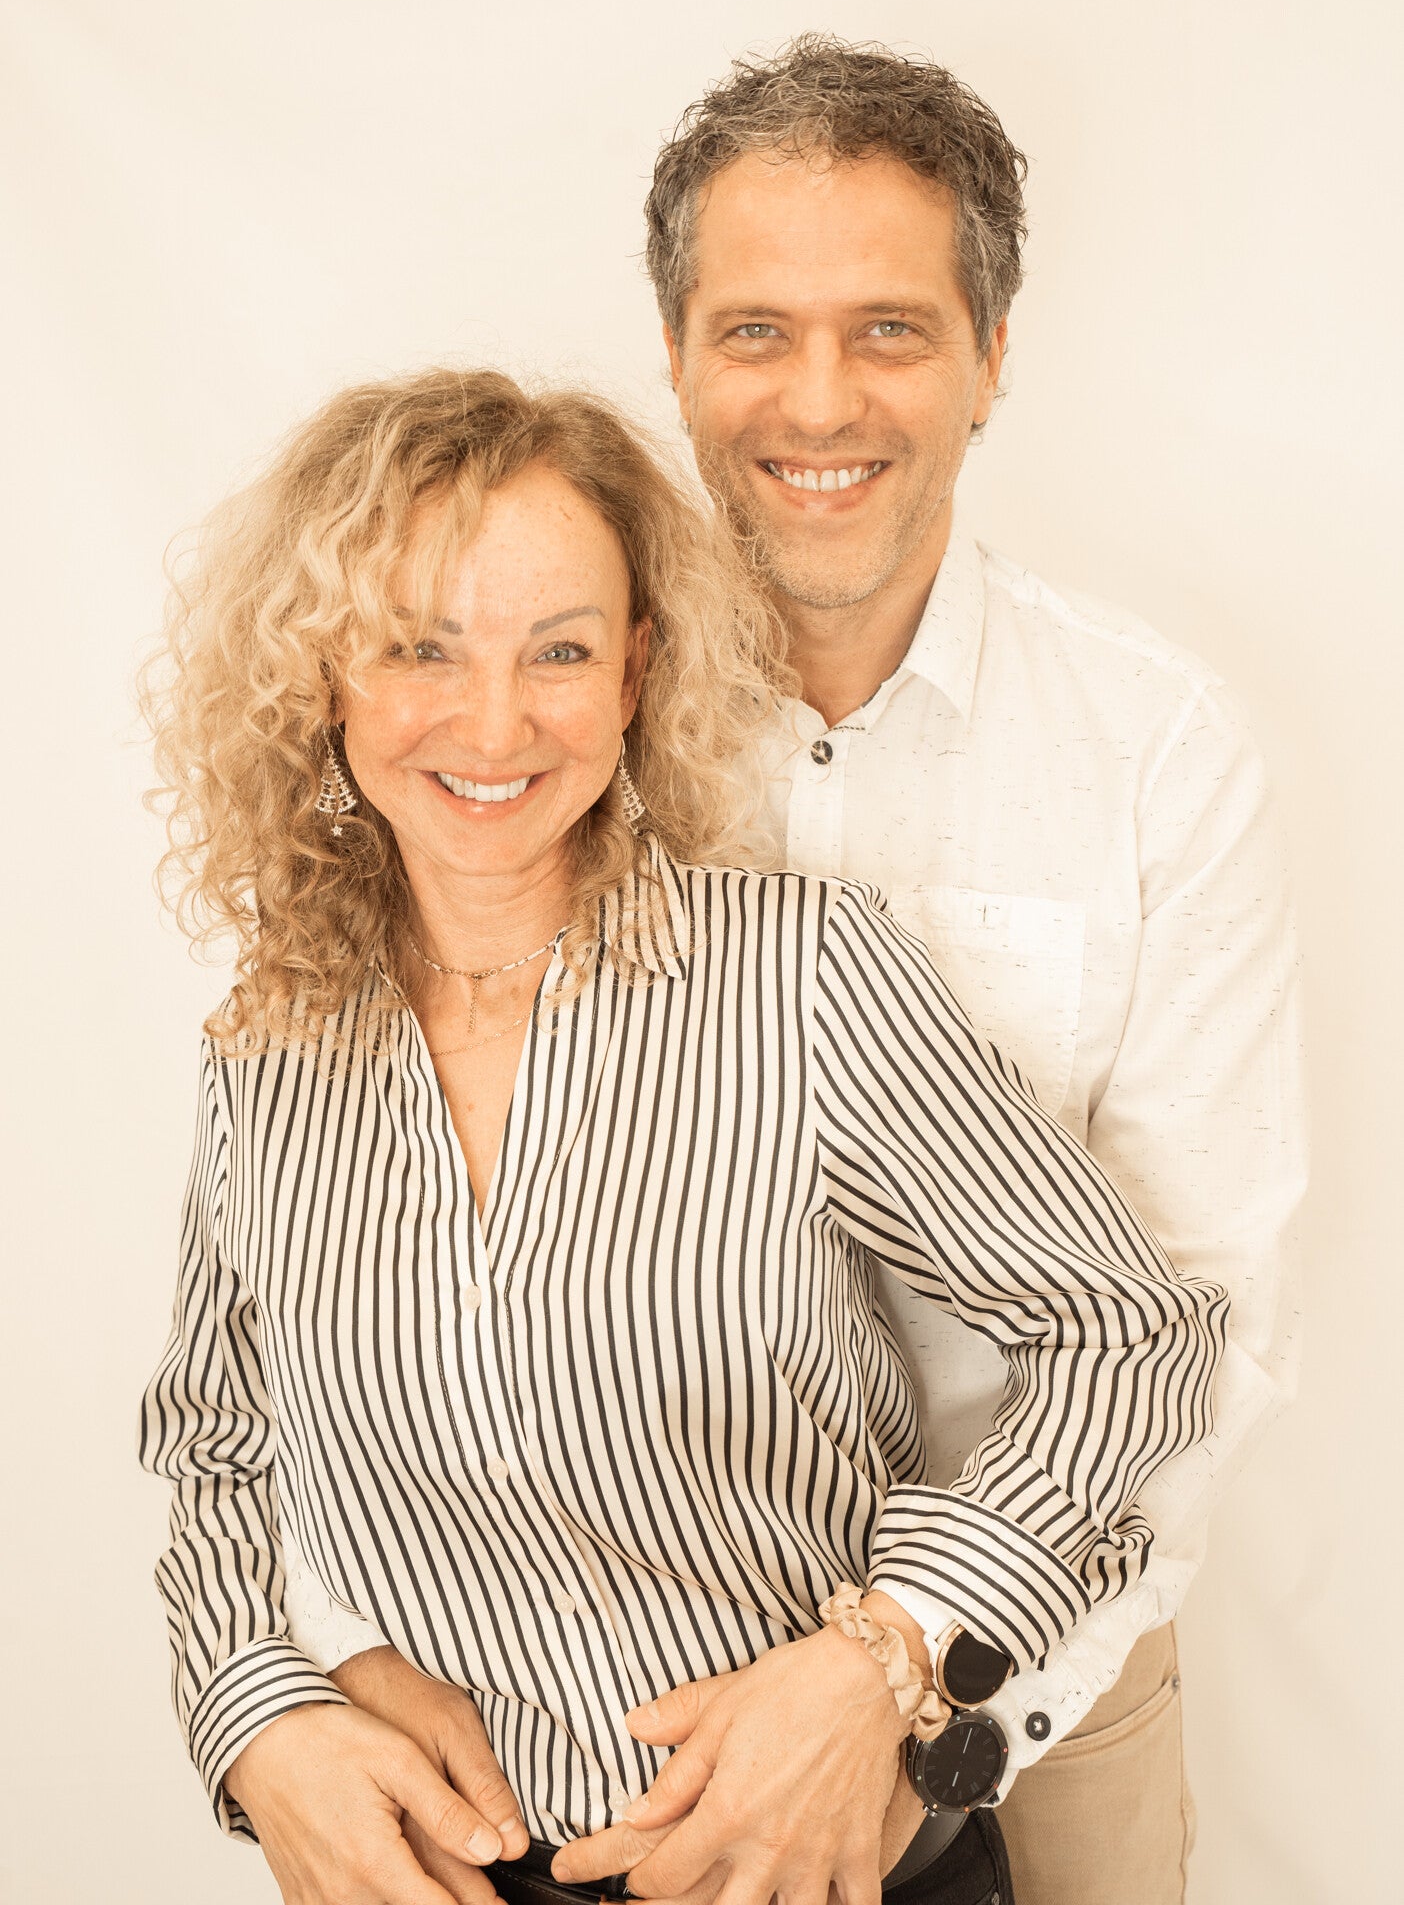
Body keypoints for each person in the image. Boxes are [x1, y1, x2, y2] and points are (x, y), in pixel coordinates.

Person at [140, 366, 1229, 1905]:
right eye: (421, 646)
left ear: (636, 671)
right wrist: (259, 1717)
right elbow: (217, 1446)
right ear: (325, 673)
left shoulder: (808, 978)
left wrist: (888, 1653)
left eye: (560, 649)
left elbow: (1126, 1334)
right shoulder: (270, 1052)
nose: (496, 720)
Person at [539, 36, 1305, 1905]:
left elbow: (1202, 1313)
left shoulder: (1158, 751)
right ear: (674, 354)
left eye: (889, 329)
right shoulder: (537, 731)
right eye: (756, 330)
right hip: (627, 1688)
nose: (821, 400)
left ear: (993, 352)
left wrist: (920, 1694)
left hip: (1049, 1674)